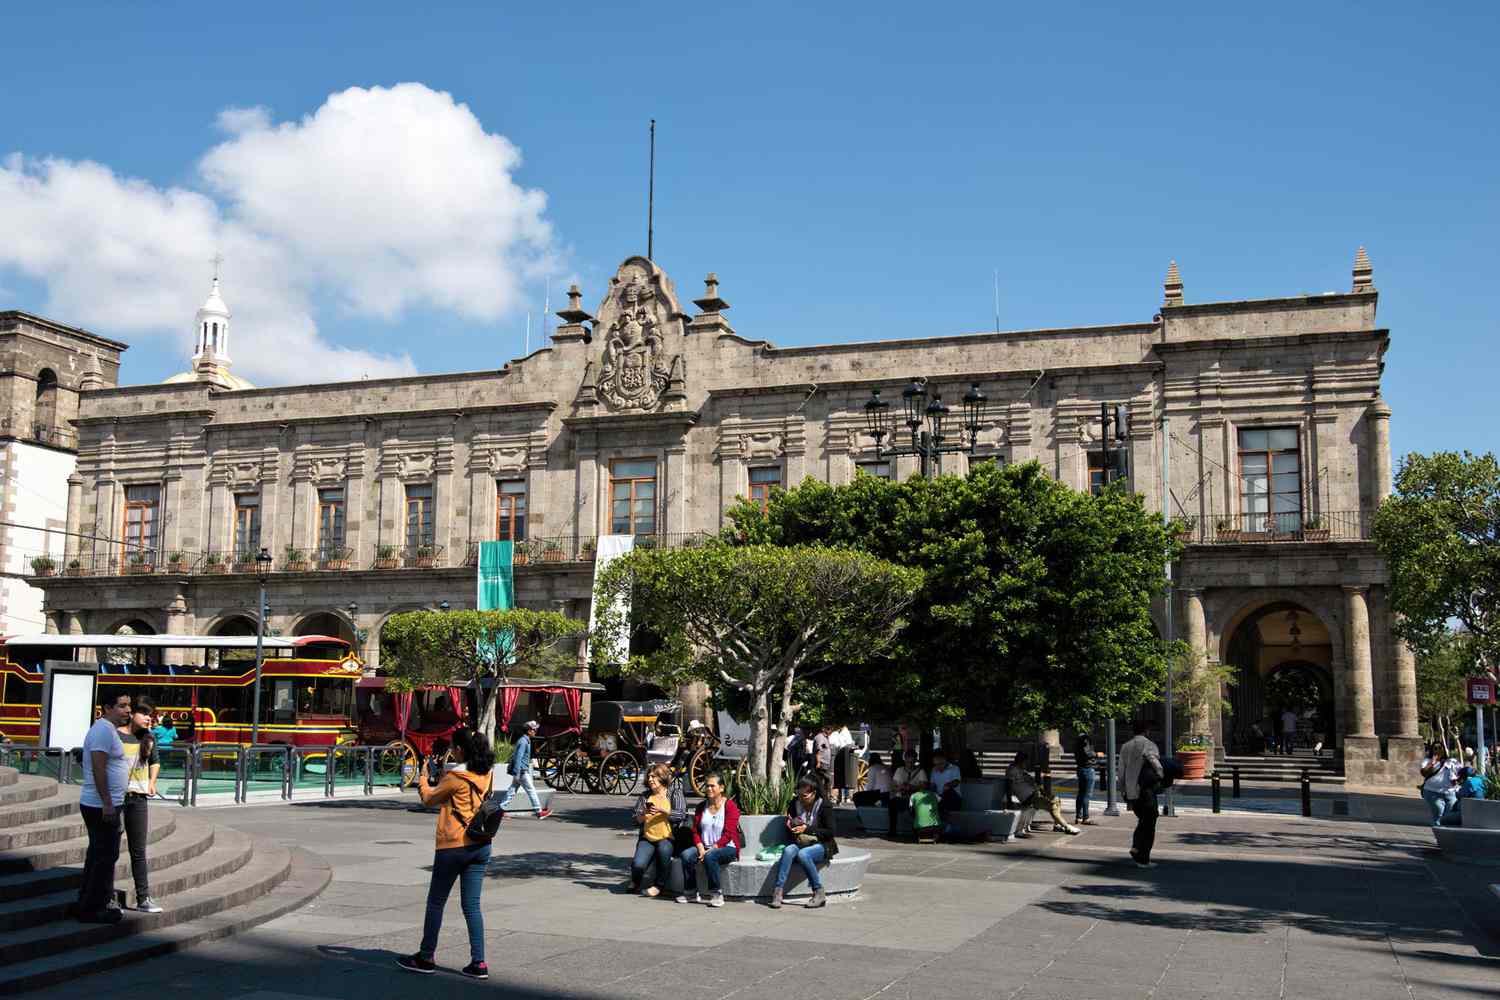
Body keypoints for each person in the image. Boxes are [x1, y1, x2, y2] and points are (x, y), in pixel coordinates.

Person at [397, 727, 496, 979]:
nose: (451, 750)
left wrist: (422, 776)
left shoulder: (455, 777)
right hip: (481, 844)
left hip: (453, 845)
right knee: (472, 905)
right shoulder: (487, 773)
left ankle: (426, 956)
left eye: (453, 747)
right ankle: (479, 963)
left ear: (461, 750)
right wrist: (442, 774)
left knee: (436, 902)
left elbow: (429, 798)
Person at [76, 690, 133, 924]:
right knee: (105, 857)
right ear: (108, 708)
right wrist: (108, 803)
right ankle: (93, 907)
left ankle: (86, 902)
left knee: (98, 854)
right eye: (122, 706)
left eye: (129, 705)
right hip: (101, 805)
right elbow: (99, 768)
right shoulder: (102, 730)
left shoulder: (108, 730)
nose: (128, 710)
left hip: (104, 803)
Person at [119, 696, 163, 913]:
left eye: (150, 715)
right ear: (132, 713)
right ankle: (105, 897)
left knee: (138, 851)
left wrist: (152, 783)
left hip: (138, 799)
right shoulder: (116, 735)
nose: (148, 719)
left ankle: (143, 897)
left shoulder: (149, 738)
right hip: (117, 798)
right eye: (145, 714)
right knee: (109, 851)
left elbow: (155, 762)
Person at [770, 775, 838, 909]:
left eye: (805, 795)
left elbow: (831, 832)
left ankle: (818, 891)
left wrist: (808, 829)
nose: (801, 798)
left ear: (814, 793)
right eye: (799, 794)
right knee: (789, 850)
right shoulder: (795, 803)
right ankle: (778, 891)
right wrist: (792, 825)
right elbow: (790, 824)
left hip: (822, 844)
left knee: (803, 854)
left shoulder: (824, 806)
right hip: (800, 841)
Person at [677, 771, 742, 906]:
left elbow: (729, 833)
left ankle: (716, 894)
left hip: (727, 847)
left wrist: (713, 848)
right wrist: (700, 847)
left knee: (710, 856)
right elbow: (695, 831)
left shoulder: (730, 806)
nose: (708, 789)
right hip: (705, 846)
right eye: (707, 786)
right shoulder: (702, 807)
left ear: (722, 788)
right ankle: (690, 892)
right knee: (686, 855)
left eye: (712, 786)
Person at [628, 764, 683, 897]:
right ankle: (636, 880)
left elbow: (681, 815)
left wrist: (664, 812)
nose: (650, 779)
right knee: (638, 865)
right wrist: (643, 814)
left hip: (667, 836)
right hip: (647, 837)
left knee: (664, 851)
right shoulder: (645, 796)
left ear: (662, 777)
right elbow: (635, 820)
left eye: (654, 776)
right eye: (649, 776)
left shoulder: (675, 793)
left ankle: (659, 886)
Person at [1119, 719, 1163, 868]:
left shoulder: (1125, 747)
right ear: (1147, 730)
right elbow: (1155, 763)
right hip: (1146, 790)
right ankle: (1143, 857)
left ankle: (1137, 847)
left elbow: (1121, 772)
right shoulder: (1149, 745)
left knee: (1143, 820)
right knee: (1150, 822)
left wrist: (1123, 791)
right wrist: (1161, 775)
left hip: (1131, 792)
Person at [1005, 751, 1080, 837]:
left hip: (1034, 794)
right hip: (1028, 797)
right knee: (1053, 806)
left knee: (1057, 799)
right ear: (1021, 761)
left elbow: (1032, 782)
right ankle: (1067, 827)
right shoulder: (1012, 770)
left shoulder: (1021, 770)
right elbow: (1009, 785)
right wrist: (1009, 800)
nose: (1027, 764)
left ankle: (1058, 824)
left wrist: (1043, 791)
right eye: (1025, 762)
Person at [497, 719, 551, 819]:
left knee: (512, 791)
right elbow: (518, 757)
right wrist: (517, 773)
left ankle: (500, 810)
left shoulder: (525, 740)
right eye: (534, 730)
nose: (535, 732)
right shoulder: (523, 742)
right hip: (521, 771)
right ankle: (539, 812)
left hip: (520, 771)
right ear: (529, 731)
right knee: (531, 790)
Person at [887, 751, 926, 840]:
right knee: (892, 804)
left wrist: (912, 787)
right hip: (901, 796)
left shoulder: (920, 771)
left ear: (916, 760)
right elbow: (893, 785)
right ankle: (892, 830)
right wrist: (900, 788)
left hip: (915, 798)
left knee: (916, 808)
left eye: (912, 762)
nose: (910, 764)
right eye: (908, 762)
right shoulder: (899, 770)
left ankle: (916, 830)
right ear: (905, 760)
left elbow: (924, 787)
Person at [1420, 745, 1460, 828]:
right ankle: (1439, 832)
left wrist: (1456, 779)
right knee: (1439, 813)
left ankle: (1448, 833)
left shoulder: (1452, 761)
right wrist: (1432, 763)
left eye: (1440, 748)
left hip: (1450, 792)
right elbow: (1424, 773)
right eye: (1435, 748)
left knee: (1450, 814)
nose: (1437, 750)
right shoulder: (1426, 761)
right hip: (1433, 792)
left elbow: (1460, 773)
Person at [929, 748, 963, 822]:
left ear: (945, 760)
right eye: (936, 764)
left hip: (954, 800)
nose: (938, 767)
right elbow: (933, 786)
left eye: (940, 764)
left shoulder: (954, 768)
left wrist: (948, 785)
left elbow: (956, 782)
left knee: (948, 792)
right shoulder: (933, 770)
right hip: (940, 799)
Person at [1074, 732, 1097, 826]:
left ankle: (1078, 817)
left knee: (1081, 794)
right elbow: (1087, 752)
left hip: (1081, 768)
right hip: (1087, 769)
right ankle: (1085, 817)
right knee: (1086, 795)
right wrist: (1096, 754)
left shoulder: (1077, 739)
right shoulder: (1085, 739)